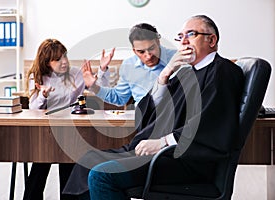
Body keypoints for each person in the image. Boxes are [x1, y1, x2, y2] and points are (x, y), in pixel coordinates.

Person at [84, 15, 245, 200]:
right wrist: (166, 73)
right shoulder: (187, 72)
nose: (183, 41)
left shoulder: (222, 71)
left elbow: (209, 125)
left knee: (101, 175)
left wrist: (162, 143)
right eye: (180, 36)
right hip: (171, 154)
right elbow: (155, 109)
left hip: (187, 160)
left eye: (191, 34)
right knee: (88, 162)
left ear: (212, 40)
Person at [22, 38, 113, 200]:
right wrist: (43, 95)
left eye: (64, 56)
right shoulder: (37, 77)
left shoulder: (76, 73)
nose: (64, 62)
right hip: (45, 133)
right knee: (40, 165)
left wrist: (102, 70)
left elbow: (101, 89)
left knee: (68, 168)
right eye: (57, 59)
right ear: (47, 62)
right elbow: (33, 109)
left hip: (71, 132)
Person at [83, 23, 176, 107]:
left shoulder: (177, 58)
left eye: (151, 48)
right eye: (141, 52)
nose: (148, 56)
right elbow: (119, 98)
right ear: (134, 50)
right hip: (145, 120)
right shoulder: (129, 65)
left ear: (158, 42)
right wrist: (94, 87)